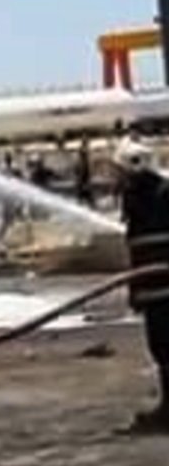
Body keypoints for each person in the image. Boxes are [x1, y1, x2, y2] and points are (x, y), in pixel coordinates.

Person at [113, 138, 169, 433]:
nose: (116, 177)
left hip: (162, 289)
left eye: (119, 170)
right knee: (161, 350)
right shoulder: (139, 197)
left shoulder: (159, 195)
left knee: (166, 349)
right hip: (150, 288)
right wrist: (135, 290)